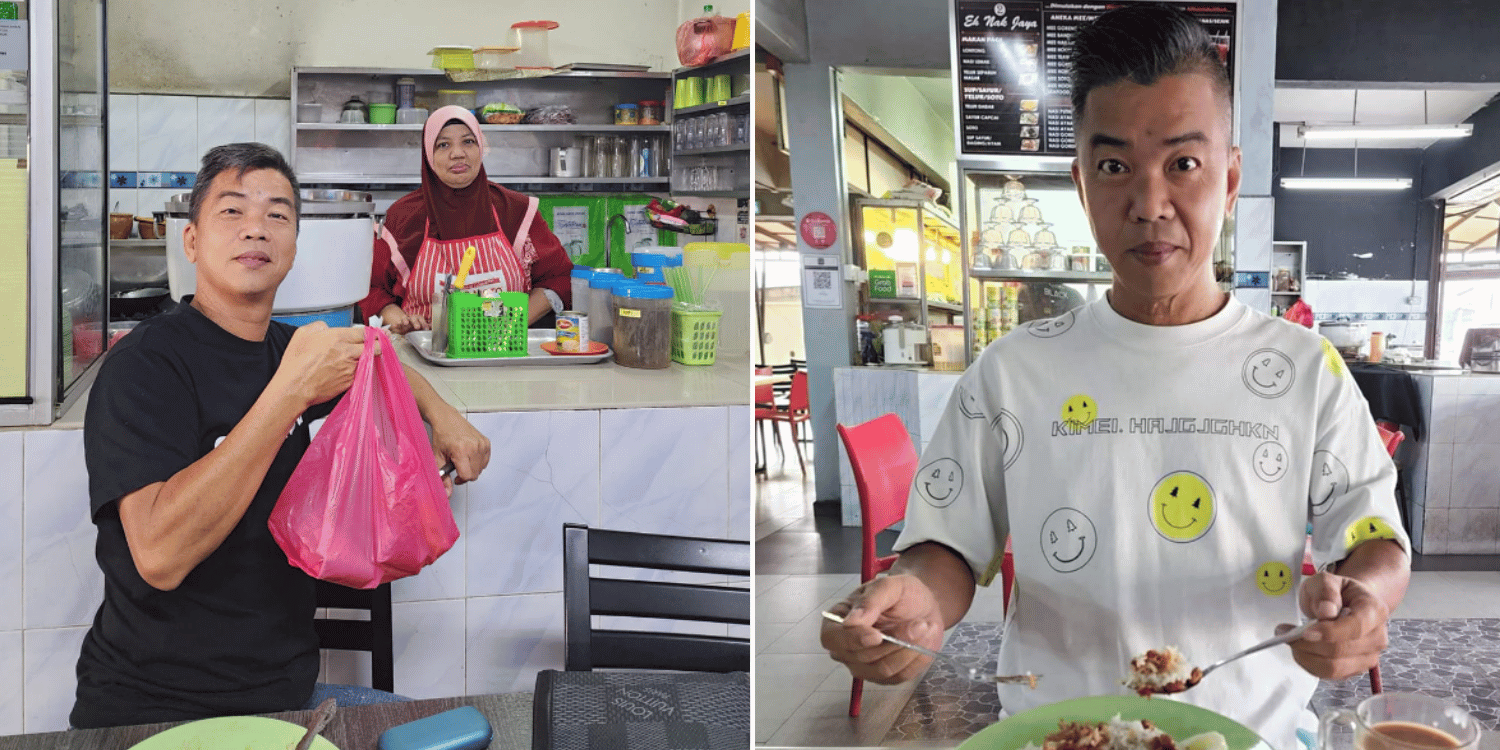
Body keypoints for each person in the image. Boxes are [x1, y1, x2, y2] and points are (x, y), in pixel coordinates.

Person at [820, 7, 1410, 749]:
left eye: (1184, 164)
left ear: (1228, 180)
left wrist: (1366, 597)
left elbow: (1373, 534)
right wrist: (914, 601)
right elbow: (947, 546)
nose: (1149, 203)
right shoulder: (1013, 372)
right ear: (1081, 183)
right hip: (1058, 731)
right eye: (1114, 166)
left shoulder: (1303, 369)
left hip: (1249, 729)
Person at [73, 143, 491, 729]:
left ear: (294, 248)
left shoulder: (297, 357)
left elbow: (373, 357)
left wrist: (440, 418)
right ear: (190, 241)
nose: (256, 229)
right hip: (154, 708)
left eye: (277, 215)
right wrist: (288, 394)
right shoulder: (147, 365)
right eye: (231, 211)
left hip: (288, 700)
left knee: (470, 734)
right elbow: (160, 555)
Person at [359, 105, 573, 333]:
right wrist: (403, 322)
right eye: (443, 145)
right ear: (428, 154)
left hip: (503, 353)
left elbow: (558, 277)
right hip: (423, 354)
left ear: (482, 147)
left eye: (468, 142)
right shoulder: (403, 217)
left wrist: (514, 325)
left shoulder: (516, 210)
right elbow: (371, 289)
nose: (458, 153)